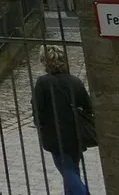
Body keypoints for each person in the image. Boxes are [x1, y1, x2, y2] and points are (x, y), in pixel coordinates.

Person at [32, 48, 97, 195]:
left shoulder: (43, 83)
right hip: (76, 133)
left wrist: (40, 124)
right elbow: (88, 107)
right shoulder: (75, 81)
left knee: (68, 172)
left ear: (45, 62)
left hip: (55, 135)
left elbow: (38, 111)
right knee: (73, 170)